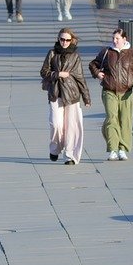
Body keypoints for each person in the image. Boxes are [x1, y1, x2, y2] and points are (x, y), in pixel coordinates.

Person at [89, 27, 133, 161]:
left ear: (124, 39)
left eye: (117, 38)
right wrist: (97, 73)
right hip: (109, 91)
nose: (114, 41)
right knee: (112, 118)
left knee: (125, 121)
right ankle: (113, 149)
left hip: (126, 92)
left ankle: (122, 149)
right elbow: (93, 64)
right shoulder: (106, 52)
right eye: (113, 38)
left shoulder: (132, 54)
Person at [41, 28, 92, 165]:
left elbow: (80, 77)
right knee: (55, 123)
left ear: (71, 40)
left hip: (71, 94)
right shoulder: (52, 53)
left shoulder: (75, 56)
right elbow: (44, 72)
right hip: (55, 93)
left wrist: (86, 97)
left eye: (67, 40)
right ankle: (55, 148)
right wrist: (57, 74)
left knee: (71, 127)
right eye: (62, 39)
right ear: (58, 39)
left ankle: (69, 156)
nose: (64, 42)